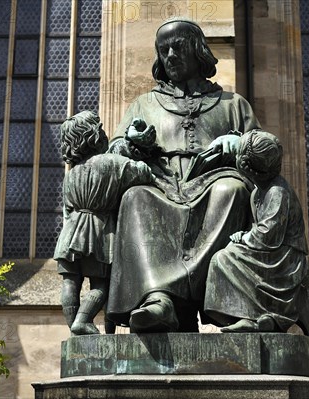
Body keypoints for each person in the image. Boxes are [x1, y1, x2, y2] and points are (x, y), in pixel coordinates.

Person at [105, 18, 261, 333]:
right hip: (159, 184)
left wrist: (239, 144)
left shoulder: (233, 104)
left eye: (179, 47)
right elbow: (115, 150)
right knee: (135, 198)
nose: (171, 56)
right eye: (164, 50)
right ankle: (158, 299)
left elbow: (264, 154)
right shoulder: (144, 103)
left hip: (213, 182)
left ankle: (220, 301)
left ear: (199, 50)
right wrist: (131, 143)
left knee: (233, 191)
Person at [54, 111, 155, 335]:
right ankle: (83, 319)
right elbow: (144, 173)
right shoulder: (111, 162)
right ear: (94, 136)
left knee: (70, 281)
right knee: (102, 285)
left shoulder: (71, 174)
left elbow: (67, 209)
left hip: (70, 232)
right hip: (97, 230)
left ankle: (73, 328)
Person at [204, 130, 309, 332]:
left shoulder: (277, 191)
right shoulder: (257, 193)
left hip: (285, 260)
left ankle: (256, 316)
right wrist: (242, 236)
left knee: (223, 260)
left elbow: (269, 234)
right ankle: (250, 317)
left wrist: (245, 237)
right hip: (271, 252)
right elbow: (259, 228)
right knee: (225, 257)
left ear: (247, 168)